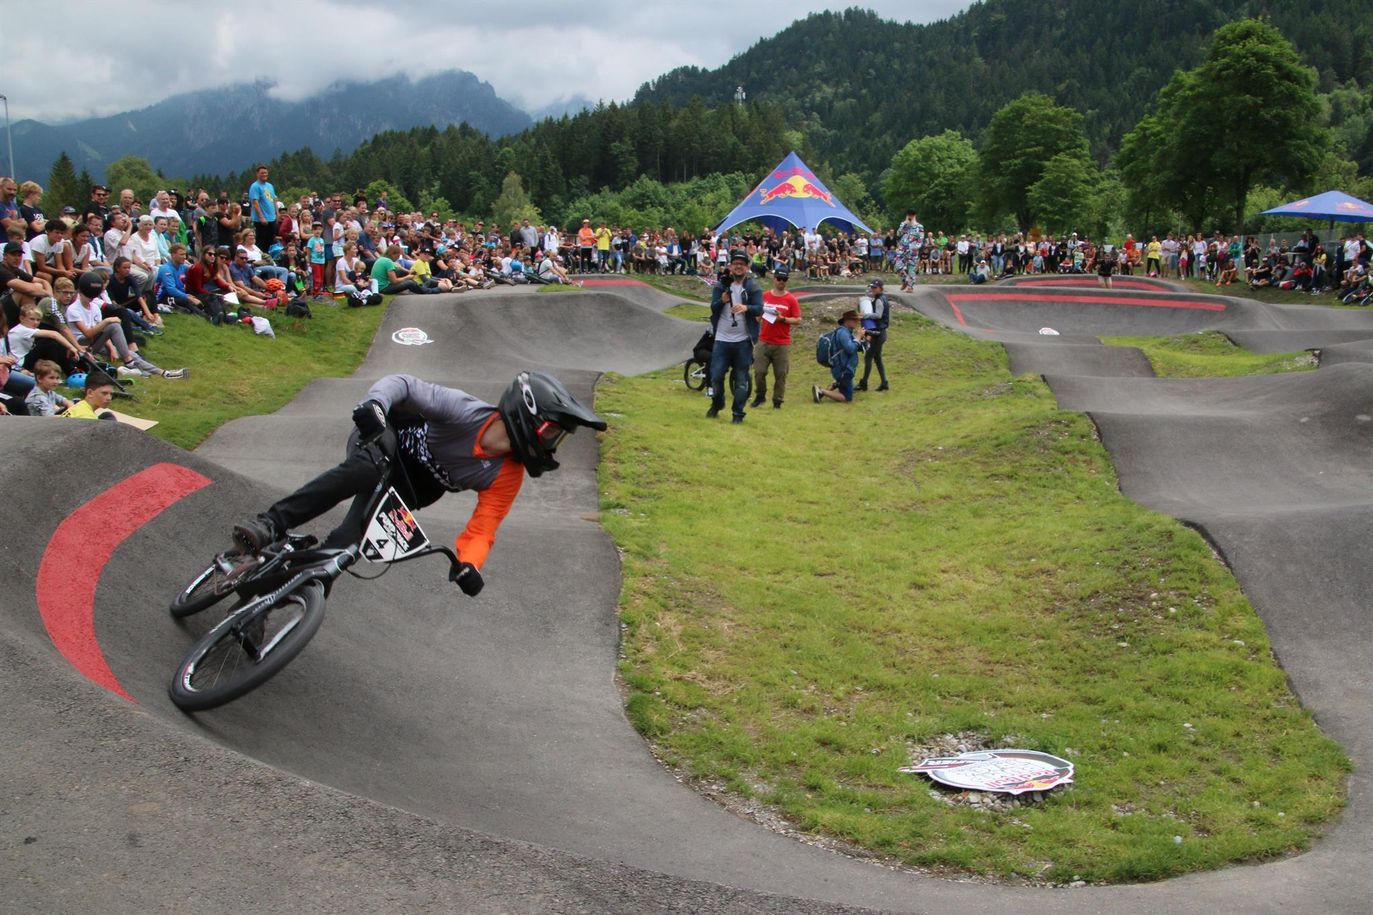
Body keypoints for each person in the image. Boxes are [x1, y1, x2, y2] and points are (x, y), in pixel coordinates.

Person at [231, 372, 607, 595]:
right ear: (529, 416)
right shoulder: (465, 411)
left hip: (409, 487)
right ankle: (271, 523)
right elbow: (405, 385)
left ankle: (258, 601)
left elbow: (483, 528)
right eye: (554, 433)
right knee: (369, 467)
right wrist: (376, 404)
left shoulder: (506, 476)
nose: (554, 444)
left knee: (339, 555)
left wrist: (469, 564)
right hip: (382, 442)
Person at [67, 271, 187, 380]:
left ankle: (163, 373)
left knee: (131, 353)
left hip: (96, 343)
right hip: (81, 345)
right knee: (113, 325)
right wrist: (107, 321)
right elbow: (88, 333)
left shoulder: (94, 307)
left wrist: (112, 347)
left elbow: (101, 333)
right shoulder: (73, 309)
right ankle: (130, 364)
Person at [706, 251, 764, 423]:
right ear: (730, 266)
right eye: (735, 263)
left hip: (743, 341)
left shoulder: (753, 287)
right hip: (721, 339)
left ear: (747, 267)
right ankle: (717, 403)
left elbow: (760, 308)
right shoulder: (721, 286)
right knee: (716, 376)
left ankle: (738, 413)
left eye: (742, 264)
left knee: (741, 379)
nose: (738, 266)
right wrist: (722, 300)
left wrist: (747, 308)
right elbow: (713, 308)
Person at [751, 266, 801, 409]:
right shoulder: (764, 296)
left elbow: (798, 319)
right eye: (779, 278)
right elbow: (756, 316)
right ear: (774, 279)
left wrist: (783, 319)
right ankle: (760, 396)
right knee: (759, 371)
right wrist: (759, 315)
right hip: (764, 340)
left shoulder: (791, 299)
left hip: (782, 343)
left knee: (781, 374)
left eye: (784, 279)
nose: (781, 281)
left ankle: (777, 400)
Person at [813, 310, 865, 404]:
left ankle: (836, 384)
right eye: (854, 320)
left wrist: (864, 341)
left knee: (849, 387)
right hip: (843, 370)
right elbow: (851, 349)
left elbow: (855, 346)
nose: (856, 322)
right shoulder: (843, 333)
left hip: (842, 368)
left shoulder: (846, 332)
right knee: (847, 398)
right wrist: (858, 337)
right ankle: (821, 391)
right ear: (846, 321)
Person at [856, 278, 890, 392]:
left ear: (881, 288)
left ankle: (864, 383)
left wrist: (864, 316)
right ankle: (884, 382)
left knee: (868, 357)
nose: (872, 289)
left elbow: (878, 315)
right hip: (881, 333)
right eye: (872, 287)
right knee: (877, 358)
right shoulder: (882, 298)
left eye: (875, 287)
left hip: (878, 333)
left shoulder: (879, 300)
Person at [892, 210, 924, 292]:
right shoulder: (904, 225)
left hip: (912, 250)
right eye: (909, 215)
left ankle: (910, 287)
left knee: (911, 268)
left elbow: (920, 239)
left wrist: (915, 247)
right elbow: (898, 234)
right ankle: (905, 280)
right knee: (897, 265)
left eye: (912, 215)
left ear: (915, 215)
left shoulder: (919, 226)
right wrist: (904, 224)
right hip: (902, 248)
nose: (910, 216)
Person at [248, 165, 278, 251]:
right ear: (257, 174)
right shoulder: (255, 186)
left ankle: (266, 257)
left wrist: (277, 213)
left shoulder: (270, 186)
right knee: (261, 242)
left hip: (271, 218)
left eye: (265, 173)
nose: (264, 174)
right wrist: (261, 217)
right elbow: (255, 203)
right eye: (262, 173)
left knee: (270, 240)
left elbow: (274, 200)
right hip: (261, 220)